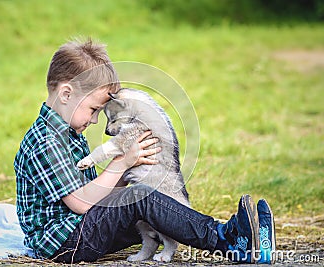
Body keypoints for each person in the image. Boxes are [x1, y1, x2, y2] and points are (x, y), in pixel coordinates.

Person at [14, 38, 276, 264]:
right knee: (140, 197)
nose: (94, 120)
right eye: (93, 110)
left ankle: (248, 239)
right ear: (66, 94)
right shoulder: (47, 140)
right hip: (64, 244)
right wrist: (122, 163)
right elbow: (81, 203)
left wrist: (134, 165)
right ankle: (227, 239)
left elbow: (97, 194)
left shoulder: (69, 133)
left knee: (147, 194)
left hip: (82, 228)